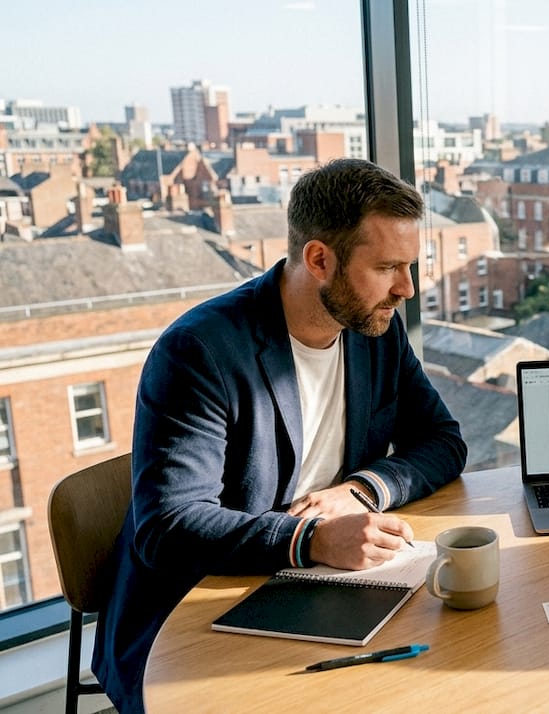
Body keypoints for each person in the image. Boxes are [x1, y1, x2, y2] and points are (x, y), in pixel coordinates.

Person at [93, 159, 468, 712]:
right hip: (201, 614)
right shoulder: (200, 352)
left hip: (329, 588)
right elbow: (168, 528)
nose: (406, 289)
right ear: (319, 259)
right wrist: (312, 539)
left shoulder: (373, 329)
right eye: (389, 266)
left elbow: (443, 440)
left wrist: (363, 490)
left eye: (409, 266)